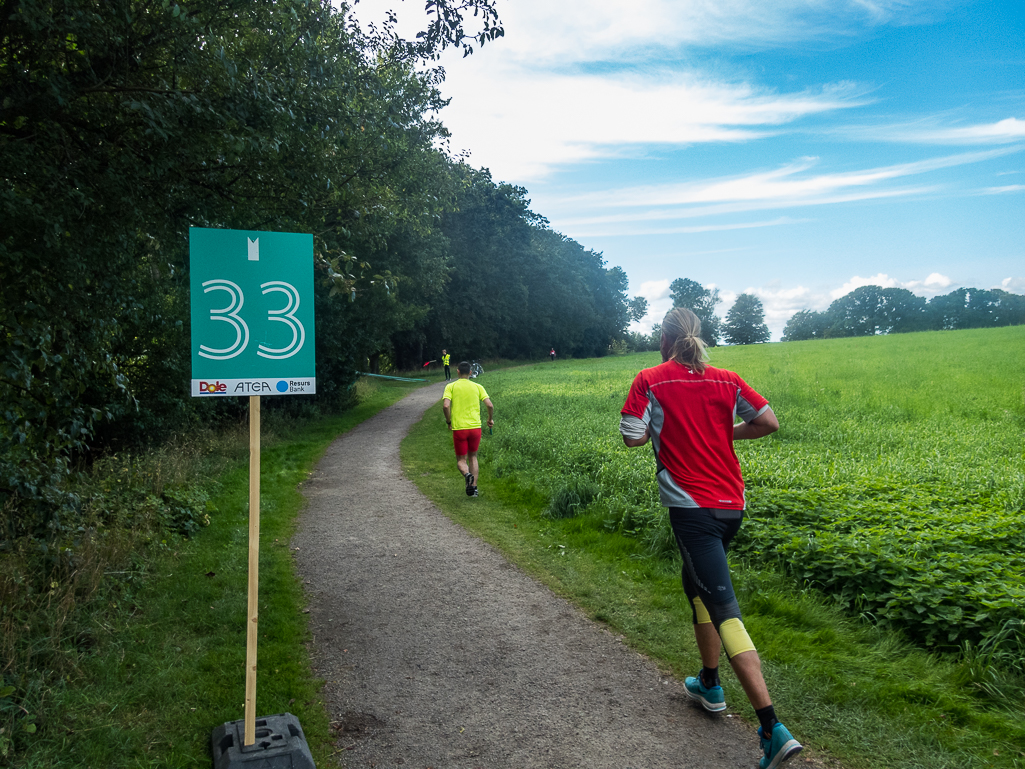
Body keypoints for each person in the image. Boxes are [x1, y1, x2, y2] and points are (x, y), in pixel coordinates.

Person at [619, 307, 802, 769]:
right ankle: (709, 683)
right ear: (698, 337)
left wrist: (667, 430)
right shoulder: (728, 378)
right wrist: (722, 430)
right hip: (731, 507)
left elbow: (632, 438)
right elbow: (768, 422)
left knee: (724, 609)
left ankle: (771, 728)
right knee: (696, 586)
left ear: (664, 340)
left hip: (691, 510)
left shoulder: (650, 378)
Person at [442, 361, 494, 497]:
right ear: (470, 373)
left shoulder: (451, 386)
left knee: (461, 460)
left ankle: (467, 474)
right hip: (475, 427)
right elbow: (489, 404)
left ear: (457, 372)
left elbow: (446, 406)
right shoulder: (478, 387)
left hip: (459, 428)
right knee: (473, 457)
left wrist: (449, 421)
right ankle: (474, 488)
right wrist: (489, 419)